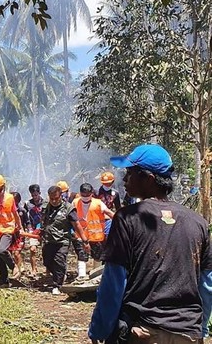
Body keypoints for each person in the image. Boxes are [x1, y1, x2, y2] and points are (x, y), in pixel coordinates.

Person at [88, 143, 212, 343]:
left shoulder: (127, 218)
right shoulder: (198, 222)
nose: (125, 179)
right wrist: (200, 329)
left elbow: (114, 282)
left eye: (130, 172)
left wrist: (99, 329)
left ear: (149, 178)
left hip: (144, 330)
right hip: (188, 332)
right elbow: (207, 284)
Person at [41, 185, 90, 295]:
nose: (54, 201)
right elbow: (43, 220)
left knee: (59, 261)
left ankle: (57, 285)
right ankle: (61, 275)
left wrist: (84, 241)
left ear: (61, 196)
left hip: (62, 241)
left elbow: (77, 225)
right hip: (48, 240)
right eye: (51, 198)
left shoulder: (68, 209)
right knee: (47, 261)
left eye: (56, 198)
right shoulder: (45, 207)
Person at [74, 183, 114, 278]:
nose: (86, 197)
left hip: (96, 235)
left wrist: (121, 220)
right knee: (81, 255)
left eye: (88, 195)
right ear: (80, 193)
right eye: (83, 195)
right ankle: (81, 276)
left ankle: (96, 275)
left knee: (98, 257)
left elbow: (109, 213)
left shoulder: (98, 203)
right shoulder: (75, 202)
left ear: (92, 193)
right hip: (80, 234)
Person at [24, 184, 45, 278]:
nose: (35, 197)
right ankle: (33, 269)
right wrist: (28, 227)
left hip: (44, 229)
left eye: (36, 195)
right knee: (32, 249)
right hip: (32, 229)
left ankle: (48, 270)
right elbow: (24, 216)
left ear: (39, 193)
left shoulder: (45, 203)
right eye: (33, 195)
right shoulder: (28, 204)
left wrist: (41, 227)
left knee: (46, 250)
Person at [9, 191, 28, 276]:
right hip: (9, 234)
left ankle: (20, 269)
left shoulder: (22, 211)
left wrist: (28, 231)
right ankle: (14, 268)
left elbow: (27, 222)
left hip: (19, 235)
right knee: (8, 252)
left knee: (17, 253)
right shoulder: (6, 210)